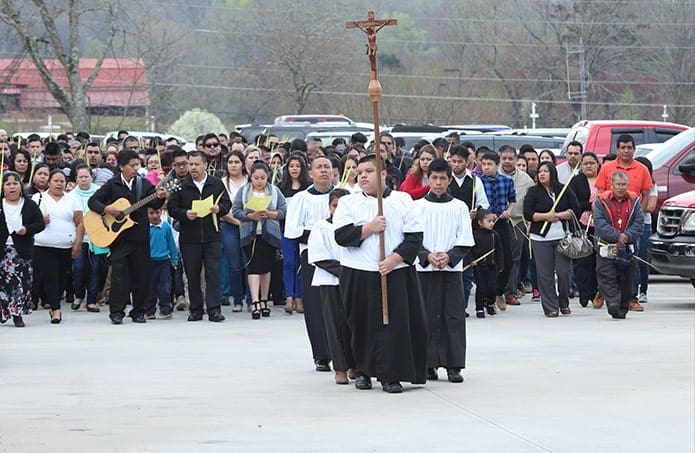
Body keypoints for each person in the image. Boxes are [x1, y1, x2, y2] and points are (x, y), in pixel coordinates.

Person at [334, 154, 427, 394]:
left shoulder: (402, 200)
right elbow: (342, 236)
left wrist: (394, 260)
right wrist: (369, 228)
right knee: (361, 322)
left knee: (393, 324)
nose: (362, 176)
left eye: (368, 171)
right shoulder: (349, 203)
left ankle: (391, 375)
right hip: (359, 272)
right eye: (360, 172)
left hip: (395, 271)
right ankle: (363, 371)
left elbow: (415, 237)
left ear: (383, 173)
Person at [88, 149, 166, 324]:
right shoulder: (112, 184)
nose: (136, 168)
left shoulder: (144, 184)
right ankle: (117, 312)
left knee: (141, 276)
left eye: (137, 165)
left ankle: (138, 311)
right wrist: (106, 209)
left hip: (140, 237)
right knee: (119, 277)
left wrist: (160, 197)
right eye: (132, 165)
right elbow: (92, 201)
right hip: (119, 239)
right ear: (122, 166)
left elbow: (154, 203)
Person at [415, 158, 474, 383]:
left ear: (449, 180)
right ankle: (428, 363)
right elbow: (412, 236)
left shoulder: (458, 207)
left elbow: (465, 239)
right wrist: (427, 255)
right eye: (434, 178)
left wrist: (450, 256)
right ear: (428, 179)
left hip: (451, 269)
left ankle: (453, 364)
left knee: (453, 316)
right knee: (426, 315)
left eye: (442, 178)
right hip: (425, 269)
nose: (438, 183)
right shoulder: (418, 206)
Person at [168, 151, 231, 322]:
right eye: (191, 164)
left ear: (205, 165)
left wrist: (219, 209)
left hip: (212, 236)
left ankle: (214, 310)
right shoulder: (181, 185)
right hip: (190, 237)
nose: (193, 168)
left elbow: (227, 203)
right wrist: (184, 213)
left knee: (213, 274)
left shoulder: (216, 184)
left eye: (196, 164)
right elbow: (172, 208)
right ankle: (195, 309)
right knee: (192, 274)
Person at [284, 156, 334, 372]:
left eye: (327, 167)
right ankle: (321, 355)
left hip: (340, 257)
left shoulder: (345, 196)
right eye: (319, 167)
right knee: (315, 307)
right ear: (310, 173)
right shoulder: (301, 198)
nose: (323, 171)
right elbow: (292, 231)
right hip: (312, 256)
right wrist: (320, 232)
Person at [595, 134, 653, 312]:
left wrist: (634, 223)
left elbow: (645, 194)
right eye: (622, 147)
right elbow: (599, 193)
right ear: (617, 149)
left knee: (631, 264)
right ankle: (604, 294)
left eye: (629, 147)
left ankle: (631, 298)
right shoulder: (607, 168)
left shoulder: (642, 169)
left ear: (634, 149)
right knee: (607, 265)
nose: (626, 151)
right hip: (610, 226)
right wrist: (614, 232)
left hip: (632, 224)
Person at [307, 188, 355, 384]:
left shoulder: (355, 227)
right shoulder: (321, 227)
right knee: (335, 325)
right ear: (329, 206)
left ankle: (356, 365)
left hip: (354, 281)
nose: (339, 210)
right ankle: (340, 368)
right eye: (335, 206)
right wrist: (344, 272)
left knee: (353, 324)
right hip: (331, 281)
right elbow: (319, 256)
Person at [523, 161, 580, 317]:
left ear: (552, 173)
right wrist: (545, 216)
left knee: (564, 272)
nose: (541, 174)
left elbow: (576, 209)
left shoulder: (563, 189)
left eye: (545, 171)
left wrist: (560, 215)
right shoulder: (533, 192)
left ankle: (563, 302)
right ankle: (550, 307)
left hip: (562, 237)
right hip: (540, 238)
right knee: (545, 274)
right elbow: (528, 213)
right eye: (539, 171)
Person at [232, 161, 287, 319]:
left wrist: (270, 214)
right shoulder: (244, 191)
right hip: (250, 234)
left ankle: (264, 299)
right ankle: (255, 300)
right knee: (253, 266)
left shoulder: (274, 191)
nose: (259, 181)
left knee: (266, 268)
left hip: (269, 234)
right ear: (250, 176)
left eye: (263, 178)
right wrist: (250, 216)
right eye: (256, 178)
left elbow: (284, 210)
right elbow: (235, 210)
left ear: (268, 176)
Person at [32, 169, 84, 324]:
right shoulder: (38, 198)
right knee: (50, 276)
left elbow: (80, 222)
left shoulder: (72, 199)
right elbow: (29, 221)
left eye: (62, 181)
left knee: (61, 277)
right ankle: (56, 309)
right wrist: (41, 221)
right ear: (49, 182)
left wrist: (78, 243)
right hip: (43, 245)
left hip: (65, 246)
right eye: (56, 181)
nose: (59, 184)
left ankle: (54, 303)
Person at [593, 172, 644, 319]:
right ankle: (612, 302)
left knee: (627, 278)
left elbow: (639, 223)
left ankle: (622, 306)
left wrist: (626, 236)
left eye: (624, 184)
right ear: (611, 185)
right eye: (618, 184)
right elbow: (600, 224)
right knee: (606, 275)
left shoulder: (635, 201)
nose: (621, 187)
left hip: (628, 247)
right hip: (606, 245)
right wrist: (617, 236)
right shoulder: (601, 201)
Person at [447, 145, 490, 317]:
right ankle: (451, 305)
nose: (456, 165)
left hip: (468, 232)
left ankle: (461, 307)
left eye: (460, 161)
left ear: (467, 162)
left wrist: (477, 212)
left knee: (466, 272)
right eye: (453, 161)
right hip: (448, 231)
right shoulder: (445, 179)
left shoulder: (475, 181)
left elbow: (484, 205)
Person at [0, 171, 45, 327]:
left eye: (15, 183)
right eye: (8, 184)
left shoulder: (29, 204)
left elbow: (40, 224)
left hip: (22, 250)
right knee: (4, 284)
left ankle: (17, 313)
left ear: (21, 185)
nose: (12, 187)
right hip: (3, 250)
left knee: (20, 284)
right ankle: (4, 312)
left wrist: (27, 229)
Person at [478, 151, 516, 311]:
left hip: (501, 223)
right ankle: (488, 295)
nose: (486, 167)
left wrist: (508, 211)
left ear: (497, 165)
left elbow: (512, 200)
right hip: (485, 226)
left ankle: (500, 291)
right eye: (484, 164)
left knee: (507, 261)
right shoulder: (478, 181)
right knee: (486, 261)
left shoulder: (506, 181)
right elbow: (478, 202)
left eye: (489, 164)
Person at [498, 146, 535, 305]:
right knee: (496, 258)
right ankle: (494, 291)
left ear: (515, 159)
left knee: (514, 259)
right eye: (504, 158)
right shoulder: (493, 174)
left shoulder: (525, 179)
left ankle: (511, 292)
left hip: (517, 222)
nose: (507, 161)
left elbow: (531, 201)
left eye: (510, 158)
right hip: (495, 221)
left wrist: (529, 221)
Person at [277, 153, 311, 314]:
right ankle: (289, 296)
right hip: (286, 231)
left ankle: (300, 297)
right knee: (289, 263)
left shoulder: (309, 188)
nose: (294, 169)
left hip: (304, 232)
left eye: (297, 166)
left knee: (301, 264)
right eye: (291, 166)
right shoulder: (280, 188)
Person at [70, 164, 106, 313]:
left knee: (96, 268)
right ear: (76, 179)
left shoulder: (99, 192)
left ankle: (91, 301)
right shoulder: (71, 195)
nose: (84, 179)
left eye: (86, 176)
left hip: (97, 237)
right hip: (80, 238)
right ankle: (78, 295)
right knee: (78, 267)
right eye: (81, 177)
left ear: (92, 177)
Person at [569, 152, 601, 308]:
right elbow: (572, 203)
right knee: (582, 260)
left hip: (601, 225)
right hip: (582, 224)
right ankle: (583, 292)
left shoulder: (604, 179)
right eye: (585, 163)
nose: (588, 166)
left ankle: (596, 292)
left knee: (598, 259)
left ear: (597, 164)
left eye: (592, 163)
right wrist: (589, 206)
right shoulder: (576, 181)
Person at [220, 150, 248, 313]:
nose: (233, 165)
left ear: (243, 164)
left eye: (236, 162)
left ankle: (252, 299)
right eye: (230, 162)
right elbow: (223, 209)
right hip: (229, 226)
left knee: (248, 263)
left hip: (249, 225)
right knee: (234, 264)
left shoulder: (250, 182)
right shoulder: (222, 183)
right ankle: (237, 299)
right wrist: (237, 221)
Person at [631, 156, 657, 306]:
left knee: (642, 258)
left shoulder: (652, 185)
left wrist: (634, 208)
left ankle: (643, 290)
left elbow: (650, 207)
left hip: (644, 224)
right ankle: (631, 290)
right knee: (631, 258)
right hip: (630, 225)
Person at [145, 207, 179, 320]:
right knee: (150, 288)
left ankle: (165, 309)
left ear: (161, 212)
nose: (154, 215)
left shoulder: (166, 227)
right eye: (151, 213)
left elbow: (172, 245)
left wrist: (174, 260)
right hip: (149, 262)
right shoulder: (145, 228)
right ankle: (149, 310)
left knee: (165, 287)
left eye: (157, 212)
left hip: (164, 262)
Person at [471, 210, 505, 318]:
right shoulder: (475, 234)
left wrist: (500, 264)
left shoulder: (495, 235)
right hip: (479, 266)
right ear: (480, 222)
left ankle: (490, 303)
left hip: (492, 265)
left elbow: (499, 250)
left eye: (493, 221)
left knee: (493, 287)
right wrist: (471, 260)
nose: (491, 223)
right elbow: (470, 249)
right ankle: (479, 308)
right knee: (481, 287)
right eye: (488, 221)